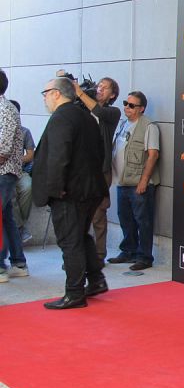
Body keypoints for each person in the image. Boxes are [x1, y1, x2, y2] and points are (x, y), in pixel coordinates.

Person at [33, 77, 107, 309]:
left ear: (56, 93)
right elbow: (100, 153)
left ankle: (74, 292)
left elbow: (58, 156)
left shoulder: (61, 118)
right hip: (90, 189)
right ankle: (96, 280)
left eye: (45, 92)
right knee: (81, 236)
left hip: (70, 192)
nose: (44, 97)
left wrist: (55, 190)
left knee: (70, 241)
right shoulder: (86, 117)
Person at [107, 91, 159, 271]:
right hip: (122, 182)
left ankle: (144, 256)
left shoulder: (149, 126)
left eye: (131, 105)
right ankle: (128, 250)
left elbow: (153, 155)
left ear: (141, 108)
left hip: (139, 183)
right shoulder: (123, 125)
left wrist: (144, 181)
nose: (126, 108)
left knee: (143, 221)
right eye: (125, 103)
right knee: (125, 219)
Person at [71, 75, 121, 264]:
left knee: (99, 213)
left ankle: (99, 255)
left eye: (105, 87)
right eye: (99, 85)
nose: (100, 88)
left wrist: (80, 92)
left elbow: (98, 111)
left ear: (112, 95)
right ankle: (77, 255)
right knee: (78, 213)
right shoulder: (81, 108)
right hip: (81, 169)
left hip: (101, 170)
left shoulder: (113, 112)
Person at [0, 69, 27, 283]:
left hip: (4, 172)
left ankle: (1, 266)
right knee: (7, 218)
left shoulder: (5, 110)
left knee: (1, 218)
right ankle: (18, 262)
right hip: (5, 172)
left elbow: (3, 149)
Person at [8, 100, 35, 244]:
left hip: (20, 170)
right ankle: (20, 227)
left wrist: (17, 160)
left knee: (28, 187)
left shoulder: (25, 131)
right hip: (5, 173)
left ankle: (20, 224)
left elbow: (31, 154)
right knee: (10, 192)